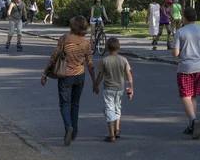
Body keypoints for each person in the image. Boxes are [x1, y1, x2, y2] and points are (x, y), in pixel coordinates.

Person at [41, 15, 95, 146]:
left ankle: (68, 126)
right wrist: (94, 81)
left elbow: (54, 56)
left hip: (65, 76)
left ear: (73, 26)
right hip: (80, 76)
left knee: (65, 104)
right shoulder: (86, 43)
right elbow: (89, 63)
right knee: (75, 104)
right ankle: (74, 131)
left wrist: (45, 73)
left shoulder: (64, 39)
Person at [172, 6, 200, 140]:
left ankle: (194, 120)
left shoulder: (180, 32)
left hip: (186, 67)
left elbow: (175, 53)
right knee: (194, 95)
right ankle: (192, 123)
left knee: (185, 95)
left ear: (184, 17)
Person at [93, 37, 133, 142]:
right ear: (119, 47)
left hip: (108, 89)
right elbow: (129, 76)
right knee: (117, 107)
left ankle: (111, 134)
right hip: (120, 89)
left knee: (109, 109)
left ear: (107, 48)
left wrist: (95, 85)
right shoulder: (123, 60)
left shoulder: (105, 60)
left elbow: (100, 75)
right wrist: (130, 89)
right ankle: (117, 129)